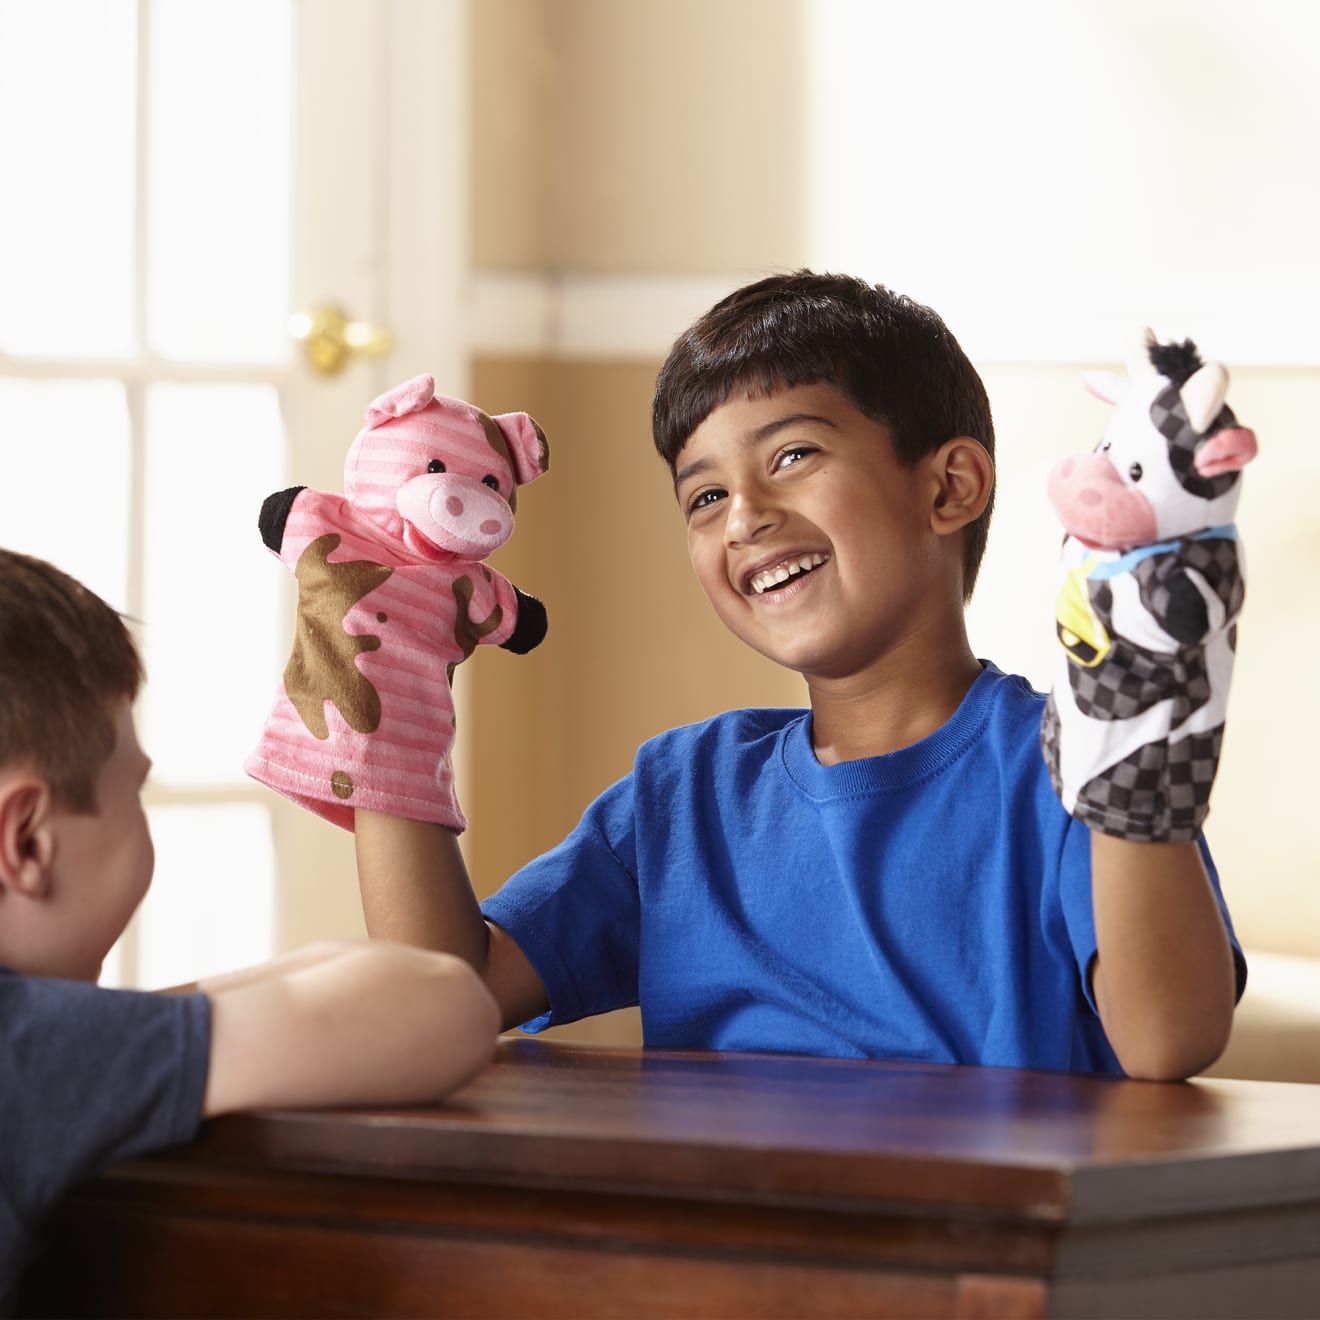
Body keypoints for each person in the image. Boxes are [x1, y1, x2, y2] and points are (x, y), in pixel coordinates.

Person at [354, 270, 1245, 1084]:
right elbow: (445, 992)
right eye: (705, 497)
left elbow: (1168, 1038)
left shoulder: (1073, 765)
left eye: (792, 457)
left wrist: (1139, 728)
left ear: (950, 488)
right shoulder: (683, 796)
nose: (744, 517)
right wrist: (390, 702)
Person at [0, 549, 501, 1303]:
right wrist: (125, 1028)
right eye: (132, 792)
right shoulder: (33, 1048)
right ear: (27, 842)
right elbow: (446, 1004)